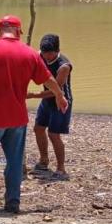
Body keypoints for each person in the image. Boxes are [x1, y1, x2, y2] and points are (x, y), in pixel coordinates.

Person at [0, 16, 68, 213]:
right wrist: (59, 95)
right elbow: (48, 78)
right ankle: (13, 203)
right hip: (16, 119)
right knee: (15, 162)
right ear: (18, 32)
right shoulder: (29, 53)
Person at [27, 33, 73, 180]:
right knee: (38, 129)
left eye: (50, 54)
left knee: (53, 134)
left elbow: (56, 91)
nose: (47, 57)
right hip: (45, 100)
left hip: (60, 100)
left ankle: (61, 169)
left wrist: (33, 95)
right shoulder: (39, 55)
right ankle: (44, 161)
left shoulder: (63, 66)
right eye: (44, 54)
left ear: (57, 50)